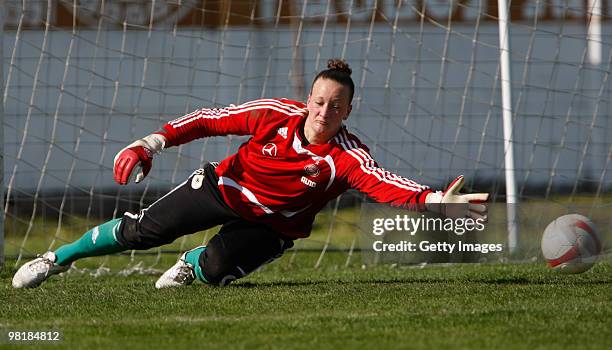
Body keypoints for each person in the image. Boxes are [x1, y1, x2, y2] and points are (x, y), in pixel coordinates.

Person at [12, 59, 488, 289]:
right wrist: (150, 142)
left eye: (336, 106)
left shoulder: (345, 156)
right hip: (223, 188)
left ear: (348, 110)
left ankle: (198, 261)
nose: (325, 111)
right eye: (319, 102)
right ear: (309, 100)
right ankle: (57, 259)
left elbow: (384, 184)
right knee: (141, 233)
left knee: (215, 272)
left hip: (274, 224)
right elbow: (206, 120)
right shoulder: (272, 114)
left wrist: (432, 200)